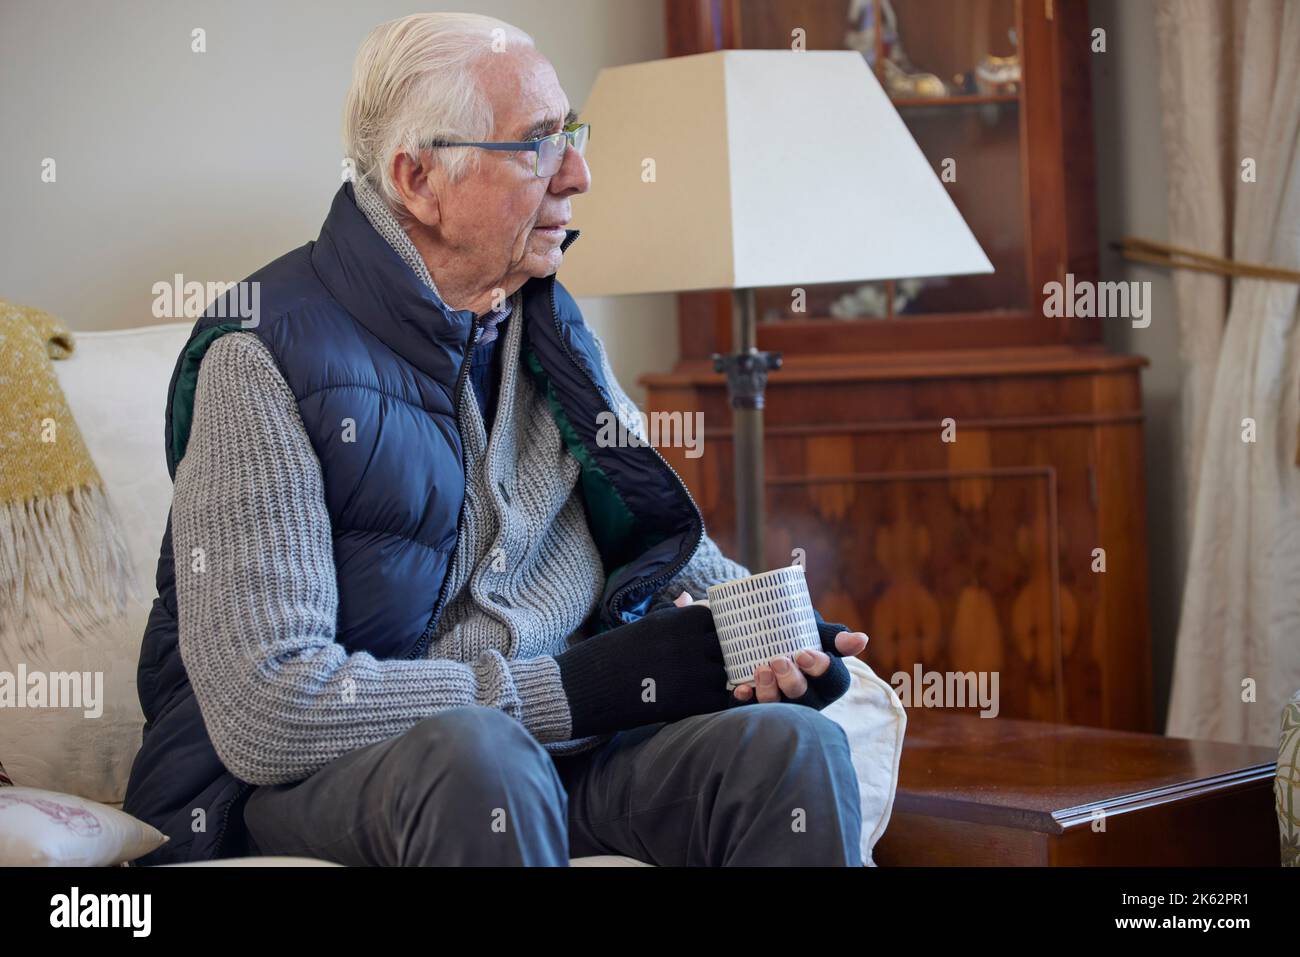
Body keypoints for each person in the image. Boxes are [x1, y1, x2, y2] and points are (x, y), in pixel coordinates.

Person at [123, 12, 867, 867]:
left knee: (787, 749)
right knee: (482, 759)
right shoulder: (263, 358)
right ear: (418, 178)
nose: (580, 174)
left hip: (554, 758)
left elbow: (680, 563)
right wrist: (583, 688)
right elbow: (269, 708)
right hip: (336, 784)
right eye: (540, 144)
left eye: (572, 135)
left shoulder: (546, 326)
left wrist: (779, 639)